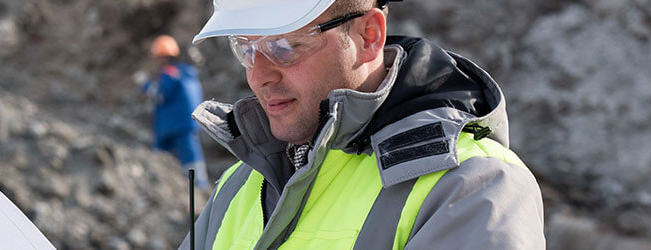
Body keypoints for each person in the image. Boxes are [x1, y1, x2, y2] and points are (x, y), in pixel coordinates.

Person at [180, 0, 545, 249]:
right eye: (245, 48)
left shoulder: (472, 186)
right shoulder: (241, 184)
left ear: (368, 36)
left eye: (284, 45)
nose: (259, 75)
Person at [143, 35, 210, 189]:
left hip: (173, 125)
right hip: (188, 123)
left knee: (160, 156)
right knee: (192, 158)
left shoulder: (169, 73)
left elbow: (160, 94)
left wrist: (145, 85)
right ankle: (200, 186)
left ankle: (193, 188)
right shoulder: (187, 73)